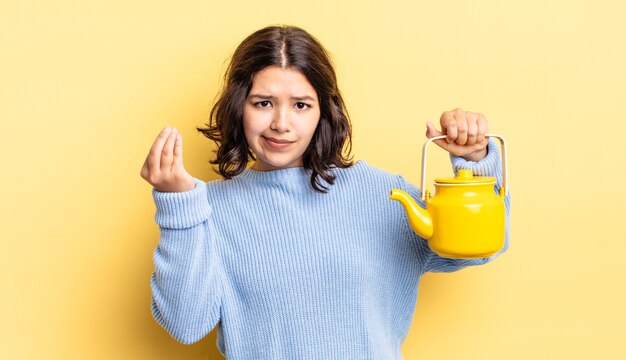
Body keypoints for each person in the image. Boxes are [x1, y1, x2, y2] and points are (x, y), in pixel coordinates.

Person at [140, 25, 509, 359]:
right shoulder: (208, 209)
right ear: (240, 107)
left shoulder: (382, 195)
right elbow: (186, 325)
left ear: (323, 111)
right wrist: (178, 207)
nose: (281, 124)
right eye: (263, 103)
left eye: (301, 105)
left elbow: (482, 247)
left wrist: (475, 161)